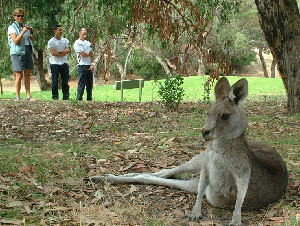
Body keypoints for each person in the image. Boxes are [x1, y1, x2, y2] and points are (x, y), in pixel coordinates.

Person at [8, 8, 35, 101]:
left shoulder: (26, 26)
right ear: (14, 16)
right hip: (17, 52)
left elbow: (32, 40)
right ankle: (17, 96)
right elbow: (16, 41)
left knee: (27, 74)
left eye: (22, 16)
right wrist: (23, 31)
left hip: (28, 50)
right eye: (18, 16)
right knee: (19, 75)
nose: (20, 17)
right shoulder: (11, 27)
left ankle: (28, 95)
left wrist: (31, 31)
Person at [47, 25, 70, 100]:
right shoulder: (51, 41)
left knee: (65, 81)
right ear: (55, 31)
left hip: (64, 63)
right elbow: (53, 53)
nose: (61, 31)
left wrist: (60, 52)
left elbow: (68, 50)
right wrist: (63, 53)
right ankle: (55, 96)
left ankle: (66, 96)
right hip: (55, 63)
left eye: (62, 30)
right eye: (59, 30)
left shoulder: (65, 40)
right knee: (55, 81)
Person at [73, 28, 95, 101]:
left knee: (89, 83)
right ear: (80, 33)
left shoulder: (88, 43)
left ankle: (89, 98)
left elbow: (92, 54)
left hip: (89, 65)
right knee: (82, 83)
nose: (85, 34)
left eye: (86, 33)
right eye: (83, 33)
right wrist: (89, 54)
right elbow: (83, 54)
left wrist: (92, 64)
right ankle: (79, 98)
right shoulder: (77, 43)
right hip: (82, 65)